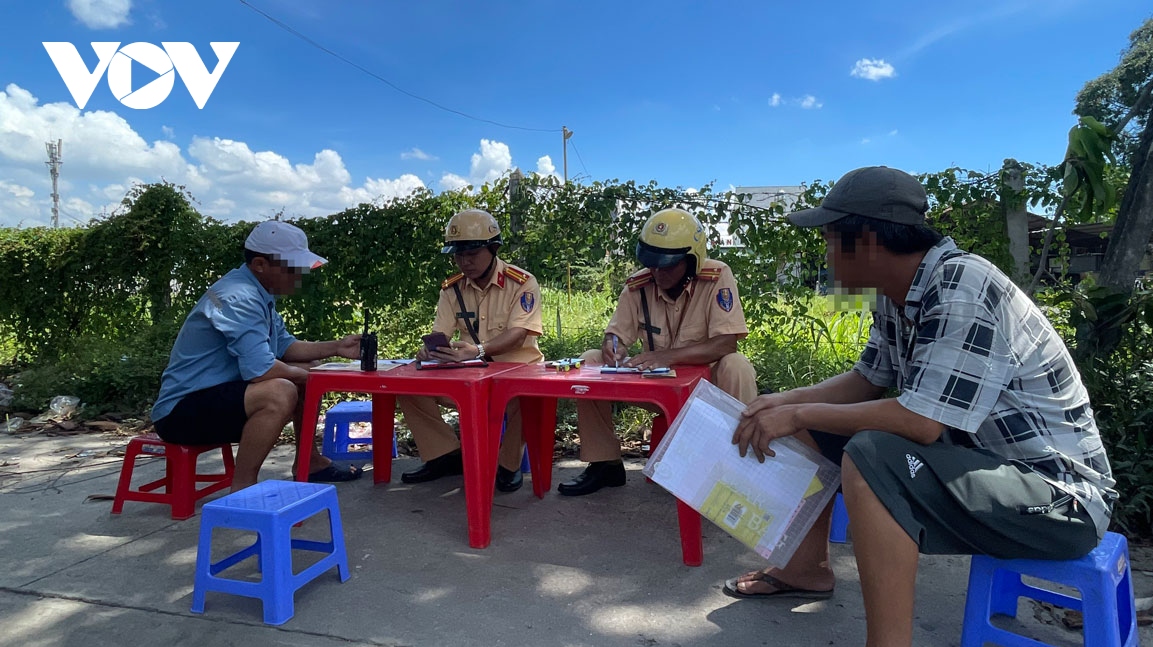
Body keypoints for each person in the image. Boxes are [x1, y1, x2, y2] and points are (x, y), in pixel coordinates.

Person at [723, 166, 1117, 647]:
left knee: (872, 455)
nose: (822, 253)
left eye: (828, 239)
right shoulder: (898, 294)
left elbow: (922, 423)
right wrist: (785, 404)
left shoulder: (962, 286)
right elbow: (868, 380)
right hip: (978, 468)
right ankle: (807, 568)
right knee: (806, 425)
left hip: (1057, 500)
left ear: (864, 240)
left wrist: (797, 410)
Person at [151, 220, 365, 492]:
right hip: (181, 412)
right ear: (261, 264)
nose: (299, 275)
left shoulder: (256, 291)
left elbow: (285, 347)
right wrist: (316, 376)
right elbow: (261, 370)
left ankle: (309, 463)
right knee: (280, 391)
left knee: (305, 369)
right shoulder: (239, 296)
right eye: (292, 268)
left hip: (217, 395)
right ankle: (243, 488)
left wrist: (337, 347)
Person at [560, 207, 758, 496]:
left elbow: (726, 343)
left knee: (736, 365)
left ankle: (739, 469)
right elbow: (616, 334)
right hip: (656, 387)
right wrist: (613, 347)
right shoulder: (638, 285)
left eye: (667, 265)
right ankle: (605, 464)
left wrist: (666, 356)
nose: (657, 272)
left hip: (704, 388)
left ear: (692, 261)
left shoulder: (717, 277)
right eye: (652, 263)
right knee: (590, 360)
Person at [396, 209, 543, 492]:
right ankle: (445, 454)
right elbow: (441, 333)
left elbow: (519, 333)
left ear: (493, 248)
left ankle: (508, 464)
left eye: (472, 254)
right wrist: (430, 351)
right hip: (469, 375)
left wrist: (477, 349)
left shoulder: (522, 282)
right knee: (408, 386)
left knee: (529, 396)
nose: (465, 262)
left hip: (517, 372)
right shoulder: (452, 289)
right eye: (458, 255)